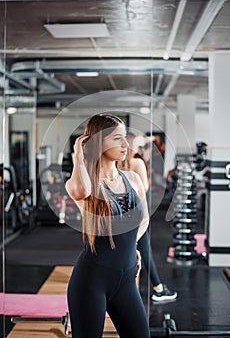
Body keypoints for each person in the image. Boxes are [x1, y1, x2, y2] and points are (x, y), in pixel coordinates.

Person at [65, 113, 151, 338]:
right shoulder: (86, 184)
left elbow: (144, 220)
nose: (125, 144)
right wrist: (78, 155)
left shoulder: (132, 178)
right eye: (116, 139)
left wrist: (132, 245)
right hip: (91, 281)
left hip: (126, 281)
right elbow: (81, 191)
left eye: (125, 138)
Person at [119, 132, 177, 302]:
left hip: (121, 212)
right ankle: (158, 289)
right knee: (144, 250)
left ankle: (153, 286)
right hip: (137, 212)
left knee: (131, 249)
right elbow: (143, 187)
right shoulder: (137, 162)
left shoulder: (115, 164)